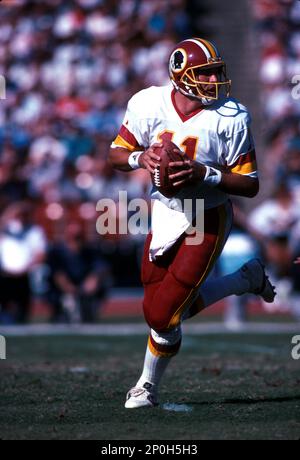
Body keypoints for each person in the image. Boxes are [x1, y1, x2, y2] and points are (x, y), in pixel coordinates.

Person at [108, 37, 276, 409]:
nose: (215, 80)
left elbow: (250, 184)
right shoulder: (147, 102)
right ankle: (244, 279)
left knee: (162, 313)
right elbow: (116, 154)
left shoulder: (232, 116)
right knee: (156, 300)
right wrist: (141, 158)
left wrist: (206, 174)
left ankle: (145, 387)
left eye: (217, 71)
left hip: (207, 213)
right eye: (206, 73)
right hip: (165, 209)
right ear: (180, 75)